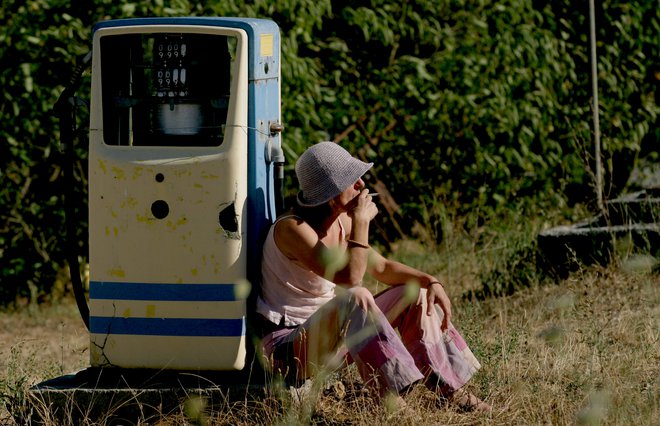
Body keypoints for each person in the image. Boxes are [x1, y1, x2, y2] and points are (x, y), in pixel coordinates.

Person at [255, 141, 490, 412]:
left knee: (415, 292)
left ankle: (451, 390)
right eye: (350, 180)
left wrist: (431, 281)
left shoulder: (341, 221)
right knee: (357, 295)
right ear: (330, 193)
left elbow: (381, 268)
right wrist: (362, 223)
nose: (360, 184)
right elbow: (351, 280)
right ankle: (392, 400)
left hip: (331, 340)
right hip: (288, 350)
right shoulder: (293, 229)